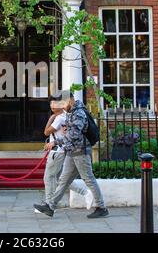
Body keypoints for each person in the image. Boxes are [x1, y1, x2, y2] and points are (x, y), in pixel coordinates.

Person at [34, 91, 108, 219]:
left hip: (81, 152)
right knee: (64, 180)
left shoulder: (78, 113)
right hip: (71, 151)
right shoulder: (71, 112)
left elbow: (74, 135)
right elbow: (69, 132)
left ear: (70, 100)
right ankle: (50, 206)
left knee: (88, 179)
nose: (62, 106)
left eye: (63, 103)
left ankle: (101, 207)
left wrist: (56, 142)